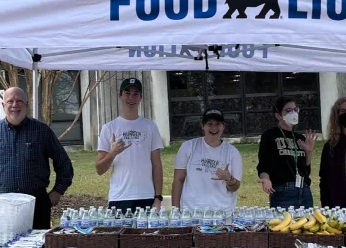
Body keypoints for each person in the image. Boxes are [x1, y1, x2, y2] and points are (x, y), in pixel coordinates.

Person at [0, 86, 74, 229]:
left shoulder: (42, 131)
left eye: (19, 101)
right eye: (10, 101)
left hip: (37, 206)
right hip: (1, 208)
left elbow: (65, 165)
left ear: (27, 104)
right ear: (3, 105)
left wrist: (57, 192)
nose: (14, 105)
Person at [96, 77, 164, 214]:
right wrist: (112, 153)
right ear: (120, 96)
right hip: (120, 197)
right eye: (127, 93)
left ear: (140, 98)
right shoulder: (109, 128)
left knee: (147, 235)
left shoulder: (150, 127)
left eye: (135, 94)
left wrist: (158, 197)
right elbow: (99, 169)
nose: (131, 98)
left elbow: (157, 164)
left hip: (146, 196)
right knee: (121, 235)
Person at [171, 109, 243, 216]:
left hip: (223, 213)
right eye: (210, 124)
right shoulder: (189, 147)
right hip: (191, 212)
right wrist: (175, 211)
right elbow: (178, 179)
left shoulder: (232, 152)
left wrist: (229, 178)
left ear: (223, 127)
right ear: (203, 126)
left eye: (218, 124)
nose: (214, 128)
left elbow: (235, 187)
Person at [257, 97, 317, 209]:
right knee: (283, 226)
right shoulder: (270, 135)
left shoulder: (300, 138)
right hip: (283, 192)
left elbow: (306, 170)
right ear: (278, 115)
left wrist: (309, 152)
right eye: (288, 111)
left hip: (304, 191)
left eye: (295, 110)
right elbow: (263, 164)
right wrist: (265, 179)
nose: (293, 113)